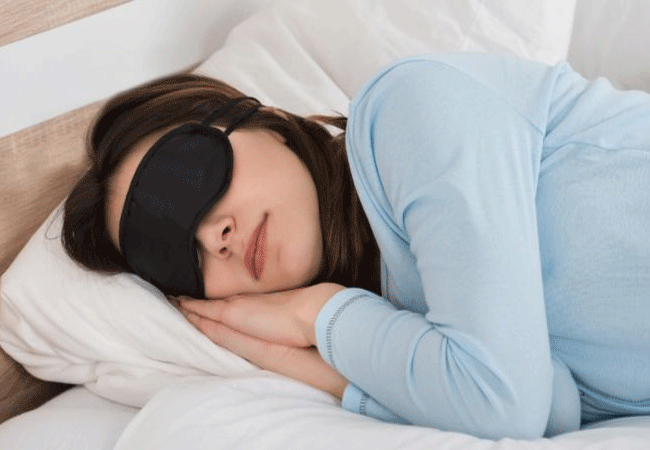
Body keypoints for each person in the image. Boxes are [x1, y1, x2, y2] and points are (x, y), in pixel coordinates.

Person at [61, 52, 650, 440]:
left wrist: (315, 313)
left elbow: (507, 404)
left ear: (264, 119)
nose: (212, 237)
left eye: (188, 176)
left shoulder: (408, 109)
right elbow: (552, 408)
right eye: (173, 256)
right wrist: (311, 367)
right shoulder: (404, 318)